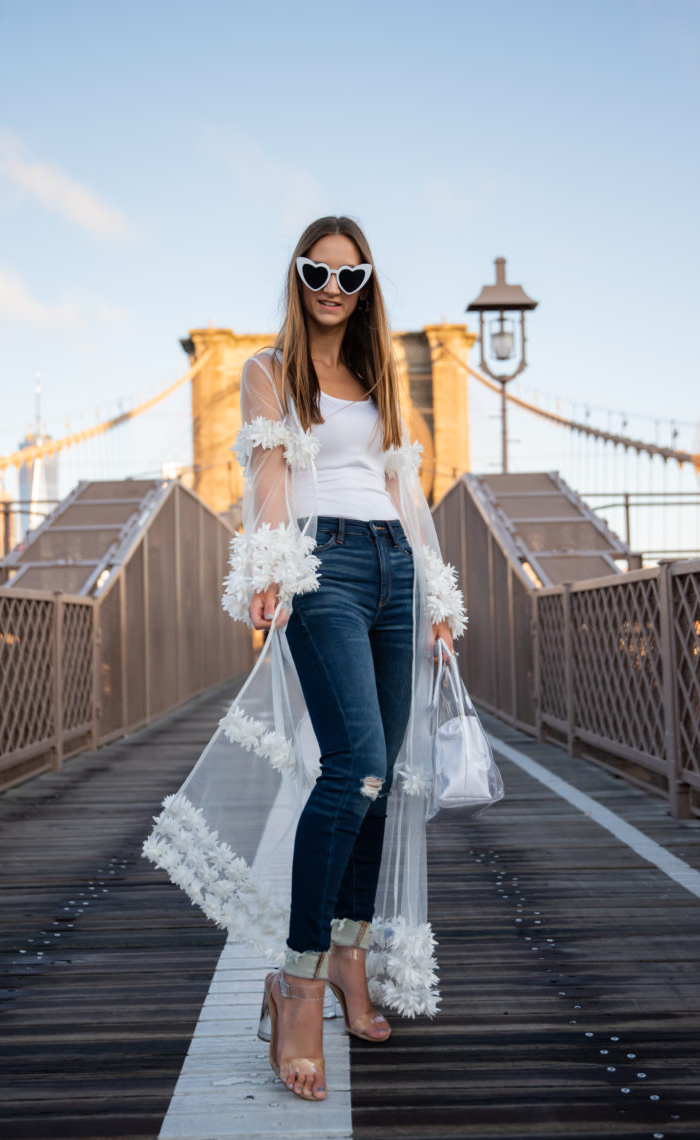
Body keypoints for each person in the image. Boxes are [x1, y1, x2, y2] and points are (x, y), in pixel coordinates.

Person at [143, 216, 466, 1102]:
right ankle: (298, 979)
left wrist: (435, 597)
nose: (332, 287)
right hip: (325, 565)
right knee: (353, 764)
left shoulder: (379, 373)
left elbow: (405, 489)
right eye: (316, 272)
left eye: (350, 275)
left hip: (395, 565)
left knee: (385, 773)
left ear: (366, 284)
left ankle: (352, 964)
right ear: (295, 276)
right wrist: (270, 569)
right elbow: (272, 481)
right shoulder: (265, 371)